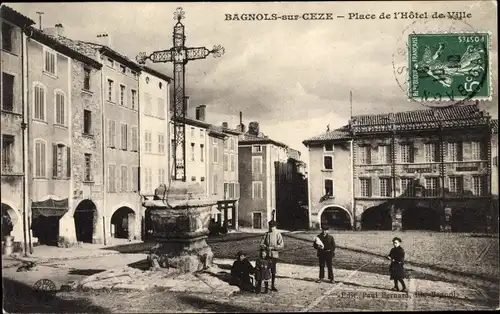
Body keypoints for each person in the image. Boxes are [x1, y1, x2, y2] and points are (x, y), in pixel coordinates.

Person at [259, 220, 284, 292]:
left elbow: (281, 245)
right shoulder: (266, 234)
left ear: (275, 227)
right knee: (265, 269)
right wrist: (265, 246)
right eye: (270, 226)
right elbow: (261, 243)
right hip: (266, 255)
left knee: (273, 270)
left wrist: (273, 247)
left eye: (272, 227)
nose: (271, 228)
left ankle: (272, 285)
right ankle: (264, 285)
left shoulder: (278, 233)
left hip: (274, 255)